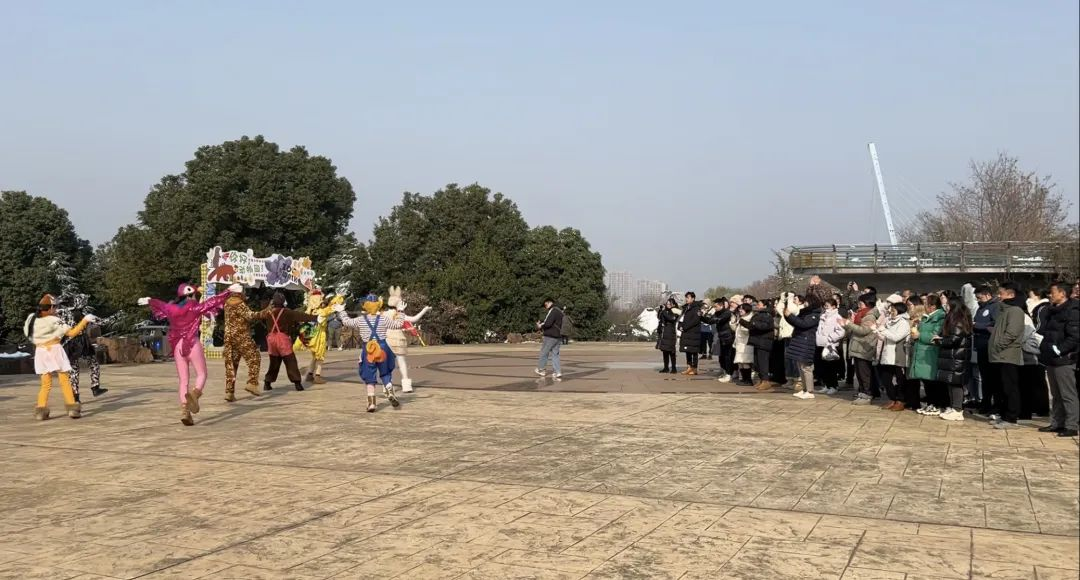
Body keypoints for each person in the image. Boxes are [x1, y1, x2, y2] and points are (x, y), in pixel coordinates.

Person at [139, 283, 240, 426]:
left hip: (178, 347)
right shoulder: (194, 307)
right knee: (202, 374)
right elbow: (212, 302)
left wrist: (150, 300)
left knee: (183, 380)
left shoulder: (171, 308)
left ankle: (185, 411)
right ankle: (195, 394)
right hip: (192, 343)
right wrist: (228, 291)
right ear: (191, 295)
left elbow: (161, 305)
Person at [338, 294, 428, 412]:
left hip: (369, 350)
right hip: (383, 348)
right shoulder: (383, 319)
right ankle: (389, 389)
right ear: (378, 305)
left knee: (369, 376)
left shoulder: (360, 320)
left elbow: (347, 322)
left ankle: (371, 403)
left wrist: (341, 311)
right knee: (385, 372)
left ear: (365, 306)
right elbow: (398, 324)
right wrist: (400, 311)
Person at [24, 294, 96, 420]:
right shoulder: (54, 320)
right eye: (55, 307)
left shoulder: (31, 319)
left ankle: (41, 411)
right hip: (55, 350)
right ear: (51, 307)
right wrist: (85, 320)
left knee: (45, 384)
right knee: (64, 381)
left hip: (40, 352)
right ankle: (72, 409)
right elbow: (72, 333)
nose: (57, 309)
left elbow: (28, 335)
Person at [1038, 282, 1079, 437]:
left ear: (1062, 293)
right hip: (1051, 358)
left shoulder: (1073, 311)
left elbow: (1074, 337)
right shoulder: (1052, 310)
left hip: (1064, 359)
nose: (1050, 295)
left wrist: (1059, 350)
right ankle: (1057, 423)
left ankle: (1071, 425)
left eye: (1053, 292)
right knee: (1056, 394)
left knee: (1068, 394)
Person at [988, 281, 1026, 429]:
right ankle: (1004, 415)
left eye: (1001, 293)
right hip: (999, 355)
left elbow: (1012, 333)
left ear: (1011, 294)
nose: (999, 295)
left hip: (1008, 355)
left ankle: (1011, 418)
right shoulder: (1004, 310)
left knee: (1010, 388)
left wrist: (998, 344)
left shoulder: (1015, 311)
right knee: (1002, 387)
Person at [261, 292, 318, 392]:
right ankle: (297, 384)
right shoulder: (287, 312)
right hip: (283, 340)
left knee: (274, 362)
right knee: (290, 361)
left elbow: (261, 319)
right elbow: (301, 316)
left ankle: (267, 383)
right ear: (283, 301)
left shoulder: (268, 312)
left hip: (271, 340)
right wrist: (315, 317)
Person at [384, 286, 431, 393]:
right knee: (402, 362)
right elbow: (414, 319)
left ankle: (387, 385)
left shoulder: (384, 314)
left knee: (386, 364)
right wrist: (424, 310)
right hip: (398, 339)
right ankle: (406, 386)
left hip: (387, 340)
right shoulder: (400, 314)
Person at [294, 289, 345, 385]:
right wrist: (338, 297)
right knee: (320, 356)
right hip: (319, 335)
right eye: (321, 299)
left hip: (310, 333)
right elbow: (332, 305)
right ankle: (317, 376)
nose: (322, 301)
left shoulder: (309, 311)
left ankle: (309, 374)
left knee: (315, 356)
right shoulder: (322, 311)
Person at [933, 296, 972, 421]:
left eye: (948, 305)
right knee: (950, 382)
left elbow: (954, 339)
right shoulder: (953, 319)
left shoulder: (958, 320)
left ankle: (957, 410)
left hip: (957, 357)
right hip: (952, 356)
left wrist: (939, 341)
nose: (946, 307)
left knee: (956, 383)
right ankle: (953, 407)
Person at [222, 289, 264, 402]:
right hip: (241, 336)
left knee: (232, 364)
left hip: (229, 338)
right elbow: (250, 316)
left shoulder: (227, 304)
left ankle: (229, 392)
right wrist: (265, 312)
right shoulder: (240, 304)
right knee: (255, 358)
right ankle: (252, 383)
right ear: (240, 293)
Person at [910, 294, 947, 415]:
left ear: (933, 306)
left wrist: (920, 335)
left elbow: (935, 335)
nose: (924, 306)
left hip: (931, 352)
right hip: (921, 352)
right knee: (925, 380)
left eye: (926, 303)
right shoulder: (926, 317)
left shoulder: (940, 318)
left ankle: (935, 404)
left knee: (931, 380)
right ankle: (930, 403)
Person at [1020, 289, 1051, 419]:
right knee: (1036, 381)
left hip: (1035, 349)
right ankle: (1039, 407)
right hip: (1039, 347)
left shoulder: (1041, 309)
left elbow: (1037, 329)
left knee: (1036, 380)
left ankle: (1040, 408)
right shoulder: (1047, 307)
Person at [876, 301, 912, 411]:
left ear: (900, 311)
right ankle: (892, 398)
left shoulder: (903, 323)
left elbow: (896, 337)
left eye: (893, 310)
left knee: (900, 379)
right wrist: (878, 332)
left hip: (898, 355)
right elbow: (886, 337)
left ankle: (901, 400)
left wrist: (884, 330)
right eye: (891, 310)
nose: (891, 312)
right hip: (887, 354)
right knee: (886, 378)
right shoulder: (889, 321)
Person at [785, 294, 822, 399]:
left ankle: (810, 391)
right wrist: (788, 316)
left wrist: (790, 316)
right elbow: (796, 323)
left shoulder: (814, 314)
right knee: (800, 366)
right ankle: (805, 389)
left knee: (806, 367)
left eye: (806, 301)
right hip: (800, 340)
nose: (805, 303)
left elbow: (804, 324)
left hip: (807, 342)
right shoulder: (805, 313)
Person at [845, 294, 879, 405]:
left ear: (867, 303)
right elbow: (852, 331)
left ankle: (867, 394)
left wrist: (849, 324)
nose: (859, 305)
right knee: (859, 373)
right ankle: (862, 393)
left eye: (861, 303)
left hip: (864, 348)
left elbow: (864, 331)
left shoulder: (870, 316)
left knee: (864, 374)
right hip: (858, 347)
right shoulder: (861, 314)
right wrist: (850, 322)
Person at [973, 285, 1001, 415]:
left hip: (990, 345)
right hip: (980, 345)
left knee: (993, 378)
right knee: (985, 377)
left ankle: (997, 404)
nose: (978, 300)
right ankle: (986, 403)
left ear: (988, 295)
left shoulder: (995, 307)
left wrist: (978, 326)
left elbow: (995, 324)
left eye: (980, 297)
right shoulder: (981, 308)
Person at [815, 298, 847, 395]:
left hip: (830, 345)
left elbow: (841, 331)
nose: (826, 308)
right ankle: (827, 385)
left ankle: (833, 386)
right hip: (821, 343)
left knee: (831, 367)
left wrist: (830, 337)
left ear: (833, 306)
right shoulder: (823, 316)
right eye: (825, 306)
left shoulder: (837, 317)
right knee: (823, 366)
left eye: (827, 306)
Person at [744, 298, 776, 391]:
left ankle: (766, 381)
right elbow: (751, 325)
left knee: (763, 362)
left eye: (759, 304)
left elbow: (765, 326)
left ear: (765, 306)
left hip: (764, 342)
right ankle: (762, 380)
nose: (757, 306)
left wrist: (754, 323)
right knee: (757, 362)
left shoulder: (767, 315)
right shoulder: (758, 314)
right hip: (757, 341)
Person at [705, 298, 734, 381]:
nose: (715, 308)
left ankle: (729, 374)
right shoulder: (717, 313)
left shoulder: (727, 312)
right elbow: (710, 321)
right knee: (722, 356)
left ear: (721, 305)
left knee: (728, 356)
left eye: (716, 306)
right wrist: (701, 317)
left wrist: (713, 319)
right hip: (721, 336)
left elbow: (719, 320)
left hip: (728, 336)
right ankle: (725, 372)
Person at [535, 298, 564, 379]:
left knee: (544, 352)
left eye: (545, 304)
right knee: (555, 354)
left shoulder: (553, 310)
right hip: (558, 336)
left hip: (550, 336)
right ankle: (557, 372)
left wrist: (540, 326)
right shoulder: (560, 311)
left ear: (550, 302)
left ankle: (541, 369)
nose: (545, 306)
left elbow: (548, 323)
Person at [678, 292, 702, 375]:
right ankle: (689, 367)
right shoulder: (685, 308)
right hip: (686, 333)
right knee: (687, 350)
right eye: (686, 297)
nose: (686, 299)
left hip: (693, 333)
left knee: (694, 351)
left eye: (688, 297)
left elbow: (695, 320)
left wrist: (685, 327)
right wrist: (680, 326)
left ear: (693, 298)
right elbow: (681, 318)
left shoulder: (697, 308)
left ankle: (694, 368)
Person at [732, 303, 755, 385]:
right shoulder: (741, 318)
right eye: (740, 309)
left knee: (745, 362)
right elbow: (736, 330)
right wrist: (733, 322)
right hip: (739, 343)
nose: (740, 310)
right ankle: (744, 379)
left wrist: (741, 323)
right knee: (740, 362)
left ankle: (748, 380)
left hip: (746, 343)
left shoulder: (750, 318)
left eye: (742, 309)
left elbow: (748, 331)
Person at [656, 298, 681, 374]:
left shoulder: (675, 311)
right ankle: (666, 367)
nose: (668, 305)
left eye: (670, 304)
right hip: (664, 333)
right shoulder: (664, 311)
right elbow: (659, 317)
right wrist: (660, 310)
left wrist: (664, 312)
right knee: (665, 351)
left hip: (671, 332)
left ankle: (673, 368)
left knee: (672, 351)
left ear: (673, 304)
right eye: (667, 304)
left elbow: (672, 319)